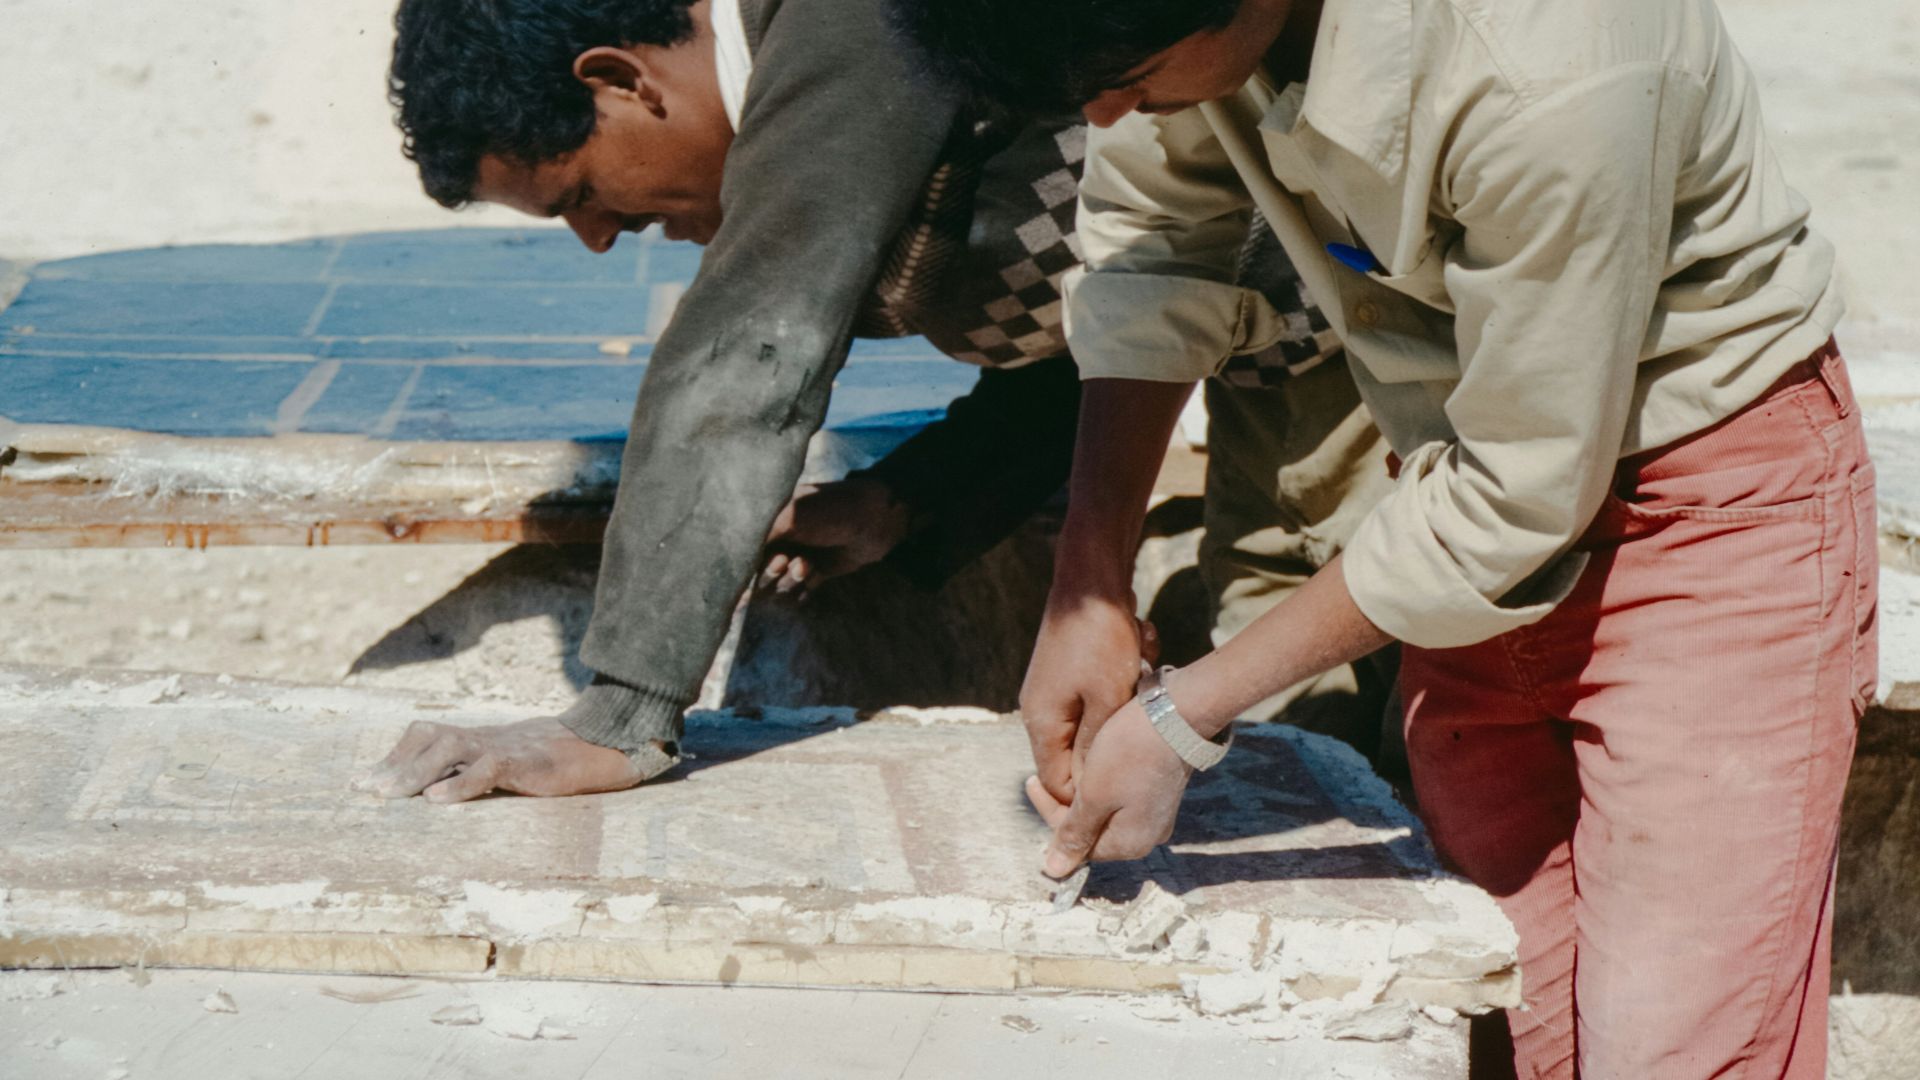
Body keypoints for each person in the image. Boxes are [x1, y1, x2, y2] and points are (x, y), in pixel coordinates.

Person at [891, 0, 1875, 1076]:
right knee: (1505, 1012)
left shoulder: (1550, 64)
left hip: (1704, 521)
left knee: (1675, 1049)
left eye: (1132, 71)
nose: (1106, 107)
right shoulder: (1175, 29)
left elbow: (1514, 493)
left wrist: (1183, 716)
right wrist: (1088, 585)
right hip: (1452, 513)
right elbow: (1157, 245)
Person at [357, 0, 1388, 805]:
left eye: (578, 193)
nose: (595, 236)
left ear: (621, 81)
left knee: (1371, 717)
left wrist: (619, 712)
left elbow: (750, 347)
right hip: (1274, 371)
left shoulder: (849, 23)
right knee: (1297, 700)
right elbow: (1099, 334)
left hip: (1381, 351)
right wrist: (910, 499)